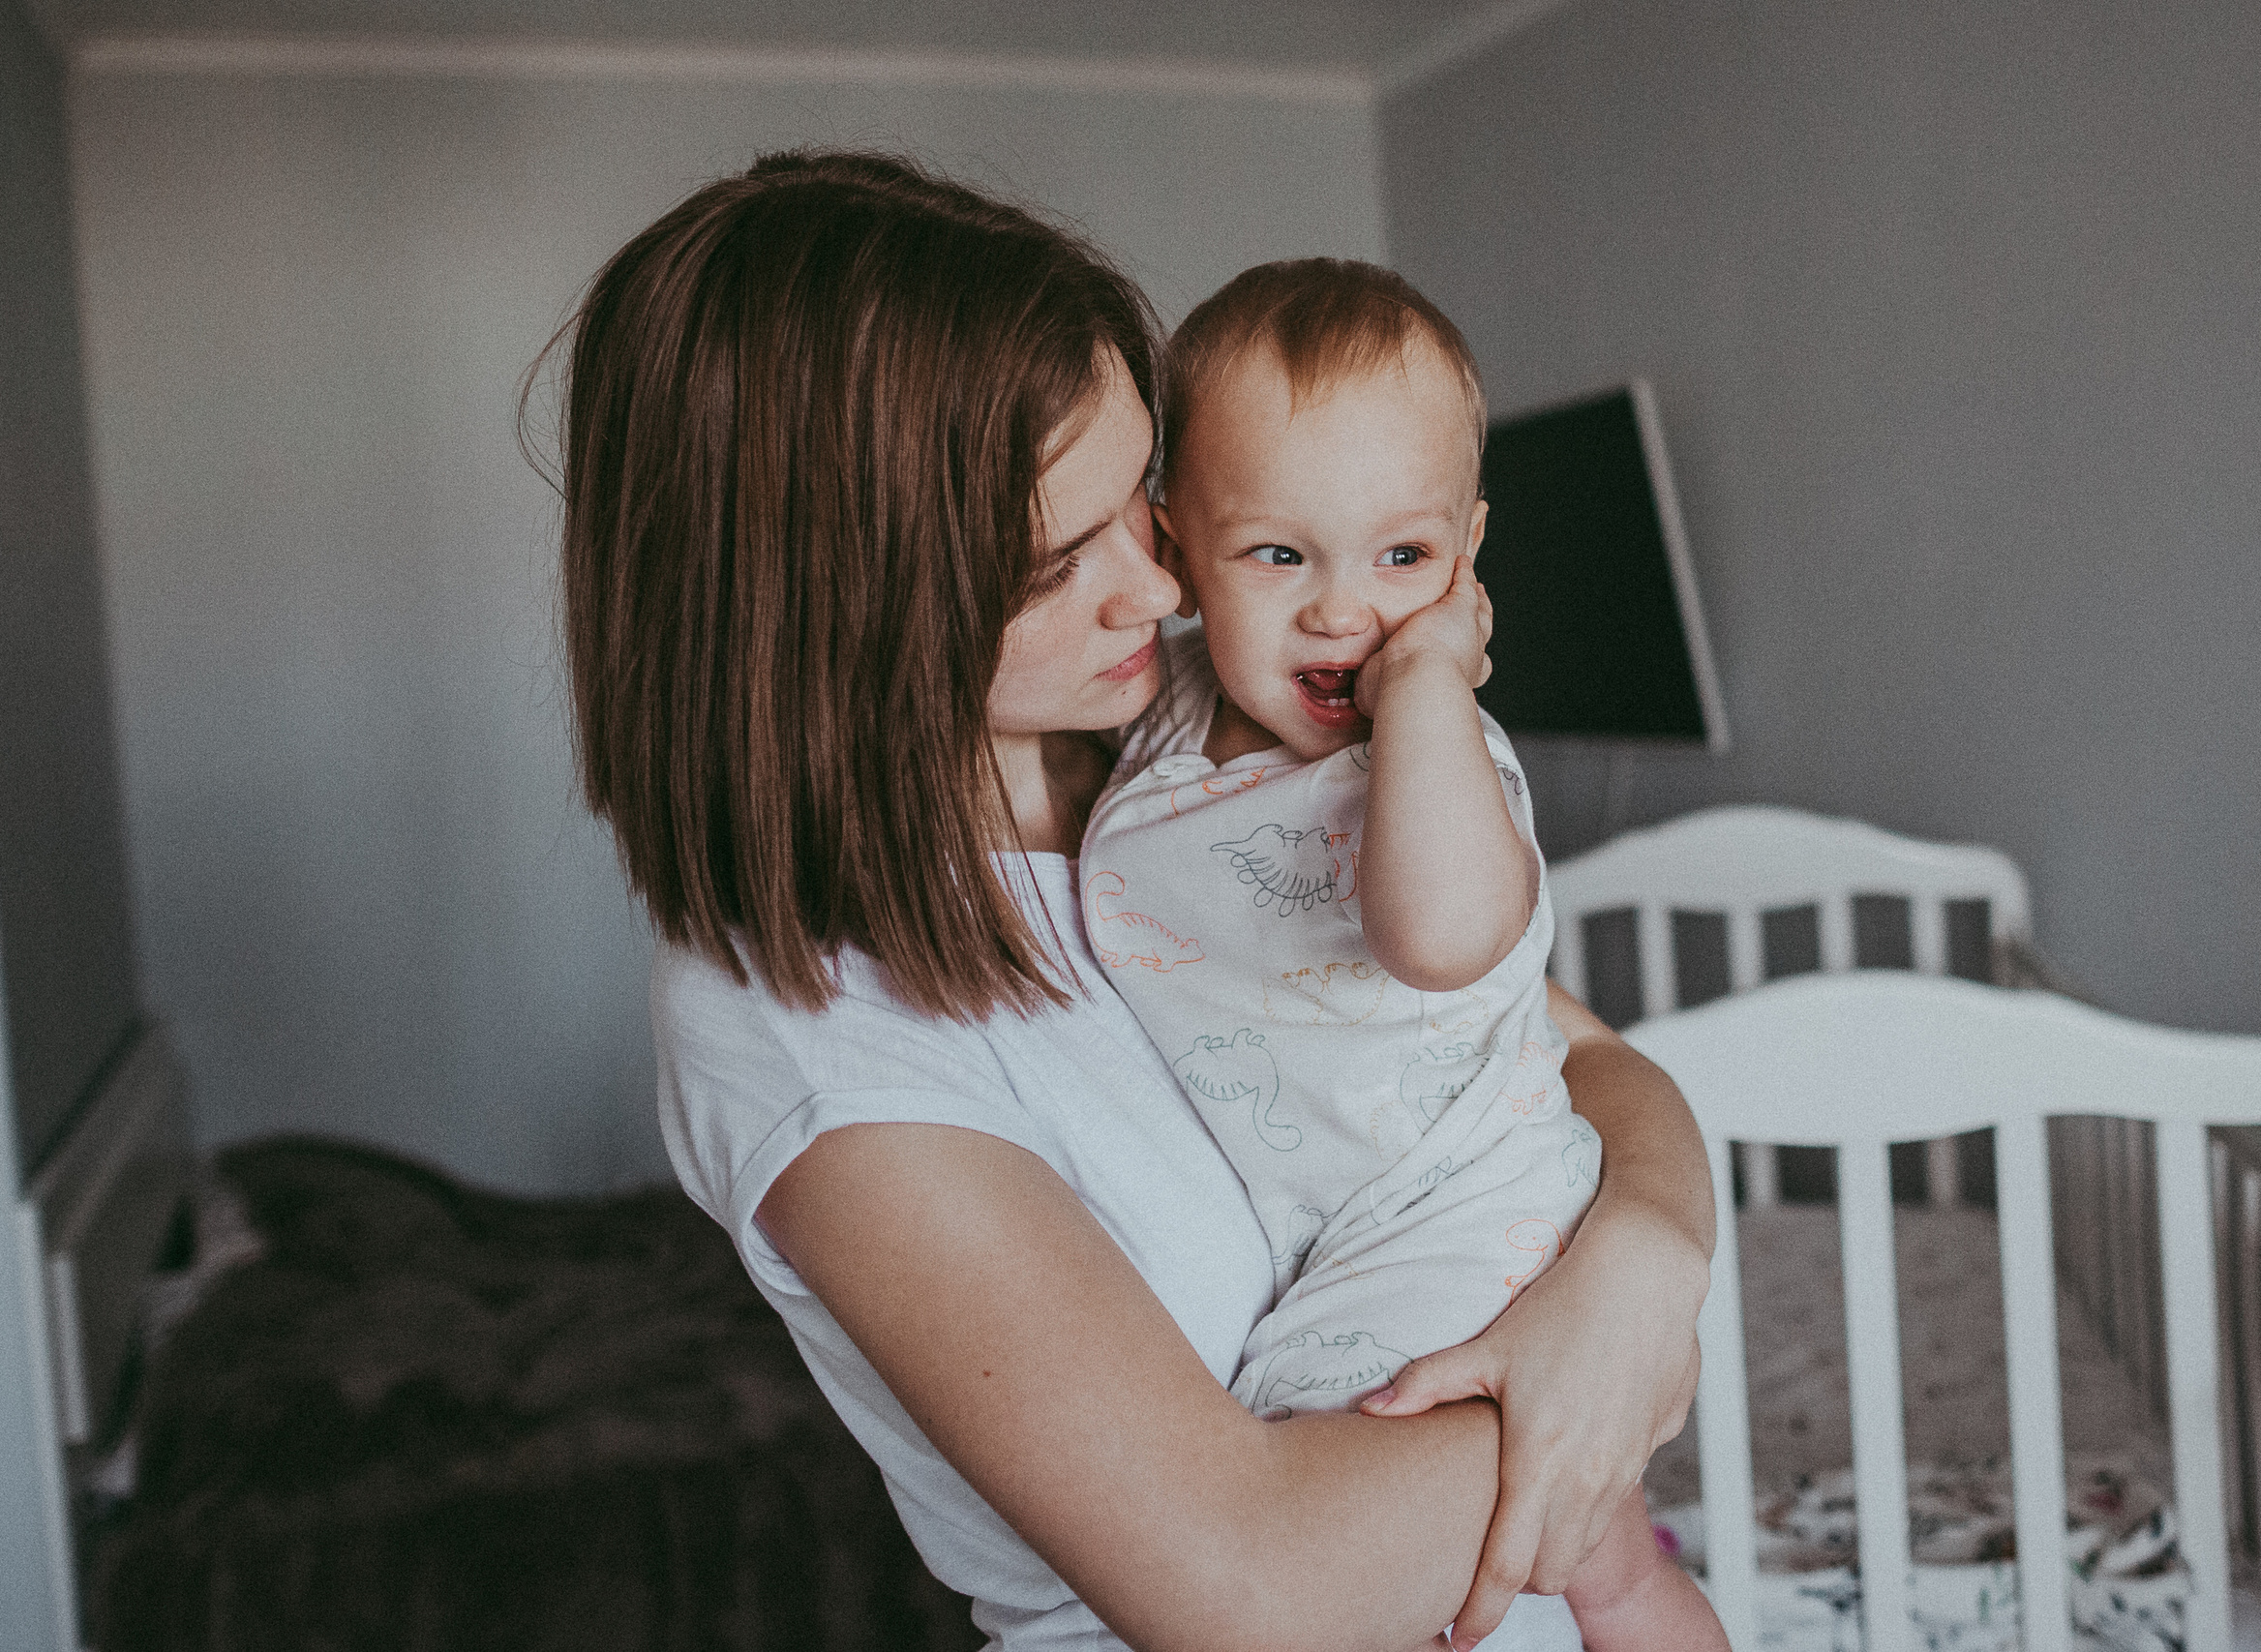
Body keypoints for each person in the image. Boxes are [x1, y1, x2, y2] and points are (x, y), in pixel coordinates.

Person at [543, 148, 1715, 1652]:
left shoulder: (1183, 746)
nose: (1158, 598)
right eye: (1053, 563)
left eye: (1147, 517)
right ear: (840, 603)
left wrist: (1646, 1264)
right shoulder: (796, 1019)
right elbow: (1253, 1595)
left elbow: (1577, 1058)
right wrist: (1590, 1398)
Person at [1078, 259, 1724, 1648]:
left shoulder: (1425, 748)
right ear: (1174, 541)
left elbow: (1440, 941)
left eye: (1404, 558)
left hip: (1456, 1208)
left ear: (1467, 554)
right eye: (1279, 554)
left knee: (1326, 1477)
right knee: (1603, 1564)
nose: (1343, 612)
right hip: (1354, 1224)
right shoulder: (1168, 714)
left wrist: (1432, 686)